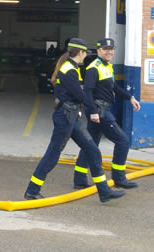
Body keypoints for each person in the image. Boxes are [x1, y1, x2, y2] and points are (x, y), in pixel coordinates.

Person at [24, 38, 126, 203]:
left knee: (93, 150)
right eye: (86, 53)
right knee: (52, 155)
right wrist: (93, 110)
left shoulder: (73, 68)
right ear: (81, 53)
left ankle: (104, 192)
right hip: (65, 117)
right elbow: (80, 95)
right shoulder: (69, 69)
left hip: (72, 117)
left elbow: (78, 91)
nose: (86, 56)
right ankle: (32, 190)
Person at [73, 38, 141, 190]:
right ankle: (119, 177)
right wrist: (93, 112)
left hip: (100, 112)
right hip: (100, 112)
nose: (109, 51)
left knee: (89, 145)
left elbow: (114, 87)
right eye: (105, 49)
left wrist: (130, 97)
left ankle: (79, 180)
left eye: (111, 49)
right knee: (123, 142)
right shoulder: (94, 68)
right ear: (98, 51)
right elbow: (88, 92)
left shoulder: (107, 66)